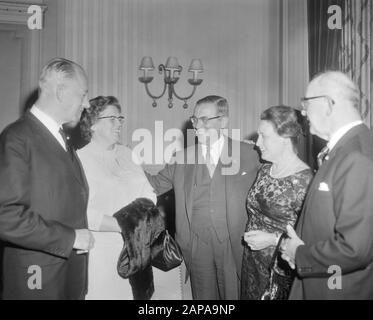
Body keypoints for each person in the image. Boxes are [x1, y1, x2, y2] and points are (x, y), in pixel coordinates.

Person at [145, 95, 259, 300]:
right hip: (196, 246)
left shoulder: (250, 153)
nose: (197, 125)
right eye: (195, 119)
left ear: (223, 121)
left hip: (234, 245)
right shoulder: (182, 158)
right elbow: (152, 185)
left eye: (205, 119)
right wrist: (124, 162)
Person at [0, 58, 95, 300]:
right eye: (83, 94)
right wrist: (70, 237)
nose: (86, 103)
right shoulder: (17, 138)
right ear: (61, 92)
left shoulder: (62, 139)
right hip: (37, 279)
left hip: (67, 276)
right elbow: (6, 216)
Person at [78, 96, 182, 300]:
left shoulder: (128, 154)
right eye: (112, 119)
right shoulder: (80, 159)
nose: (119, 124)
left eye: (120, 119)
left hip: (138, 247)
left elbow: (148, 193)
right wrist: (125, 226)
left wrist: (139, 227)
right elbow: (80, 211)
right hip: (102, 251)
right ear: (92, 124)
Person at [281, 71, 373, 299]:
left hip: (336, 290)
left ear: (327, 104)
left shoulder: (356, 156)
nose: (303, 112)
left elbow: (355, 249)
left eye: (306, 103)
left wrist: (299, 254)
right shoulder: (345, 148)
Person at [241, 106, 312, 300]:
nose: (257, 143)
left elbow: (312, 241)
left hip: (280, 269)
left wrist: (272, 239)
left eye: (264, 136)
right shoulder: (265, 170)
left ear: (285, 138)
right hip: (252, 262)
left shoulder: (305, 182)